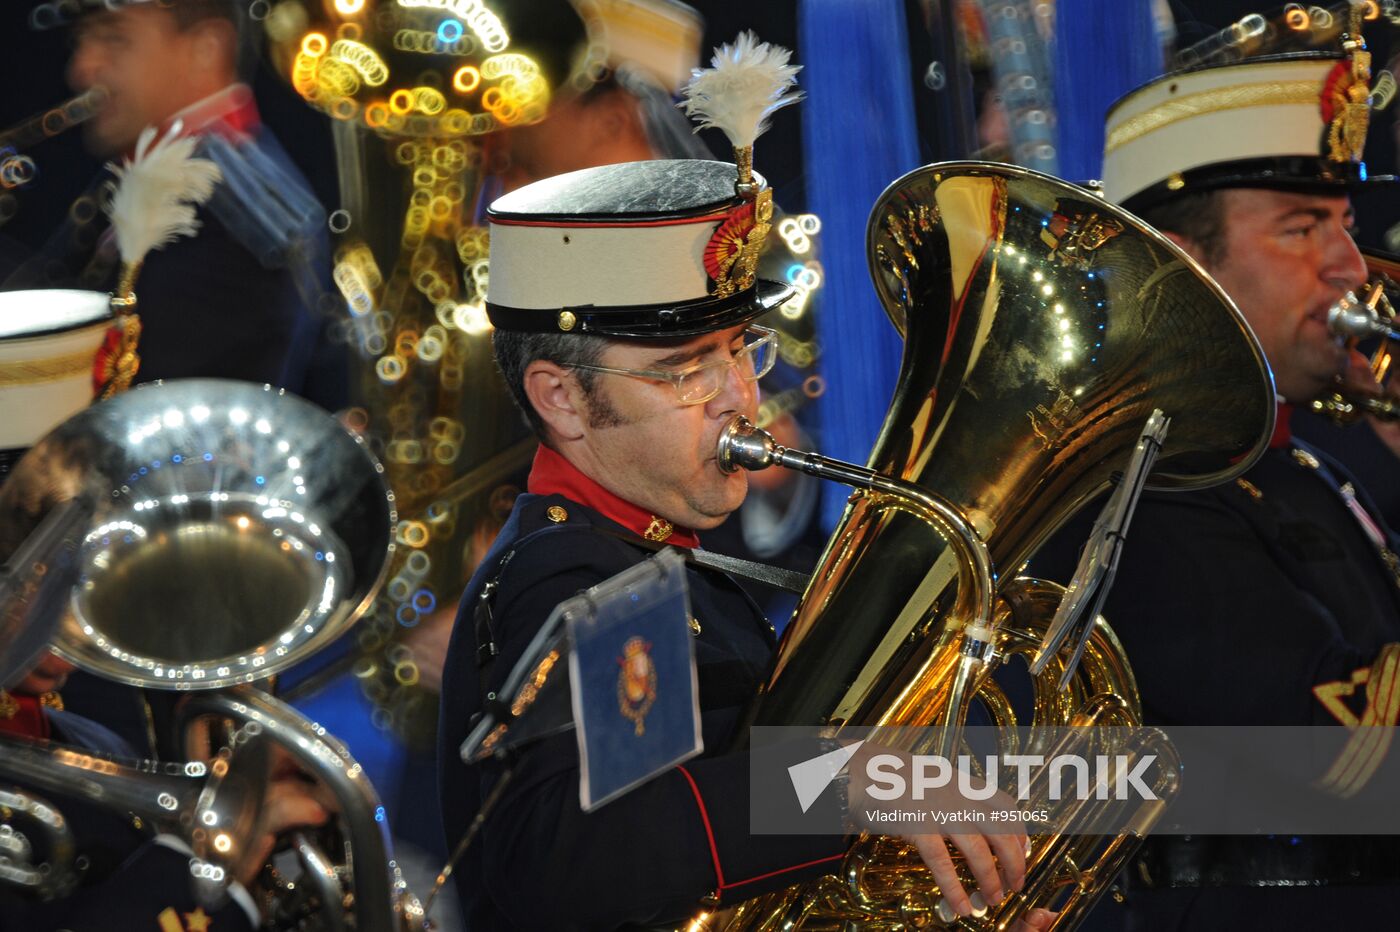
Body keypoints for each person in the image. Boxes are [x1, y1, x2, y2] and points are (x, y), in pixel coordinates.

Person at [433, 144, 1063, 928]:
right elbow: (575, 859)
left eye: (741, 350)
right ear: (562, 398)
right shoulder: (573, 577)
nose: (742, 396)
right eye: (689, 368)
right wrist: (845, 782)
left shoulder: (659, 560)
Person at [1033, 14, 1400, 929]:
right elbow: (1345, 763)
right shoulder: (1141, 498)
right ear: (1187, 269)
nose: (1352, 267)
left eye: (1345, 225)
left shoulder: (1300, 461)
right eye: (1302, 228)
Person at [8, 0, 334, 399]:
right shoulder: (186, 175)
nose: (82, 69)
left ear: (205, 50)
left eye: (114, 39)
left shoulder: (225, 220)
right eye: (82, 42)